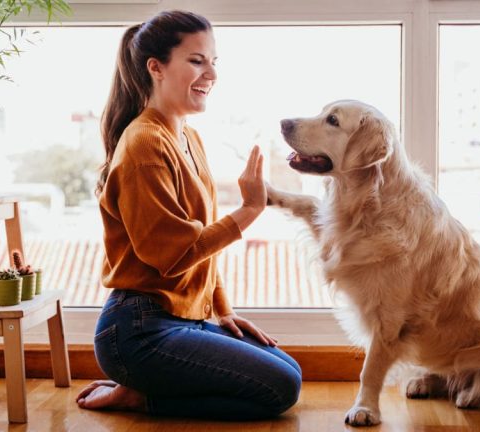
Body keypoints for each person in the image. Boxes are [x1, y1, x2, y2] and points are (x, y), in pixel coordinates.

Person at [75, 10, 302, 420]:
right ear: (156, 68)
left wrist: (222, 309)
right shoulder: (144, 145)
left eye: (214, 62)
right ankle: (139, 396)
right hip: (137, 330)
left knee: (289, 370)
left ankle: (145, 389)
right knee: (280, 388)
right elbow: (173, 255)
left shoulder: (187, 136)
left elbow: (200, 250)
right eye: (197, 61)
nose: (211, 73)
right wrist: (250, 209)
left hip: (182, 318)